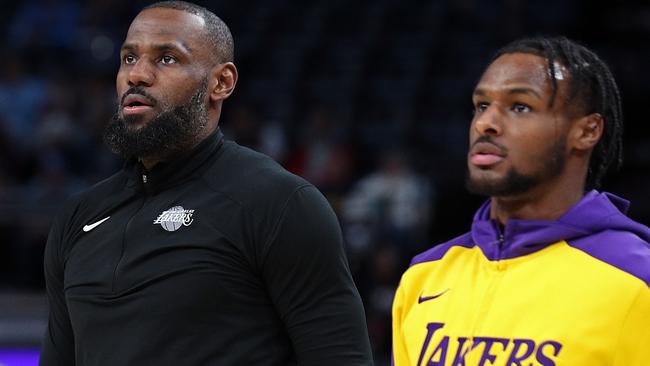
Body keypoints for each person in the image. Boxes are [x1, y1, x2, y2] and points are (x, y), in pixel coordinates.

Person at [39, 2, 373, 365]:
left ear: (221, 82)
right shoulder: (78, 217)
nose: (137, 75)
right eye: (129, 59)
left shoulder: (280, 204)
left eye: (166, 59)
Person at [392, 36, 650, 365]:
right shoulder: (424, 275)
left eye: (519, 107)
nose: (486, 123)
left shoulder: (637, 278)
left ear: (586, 131)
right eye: (482, 106)